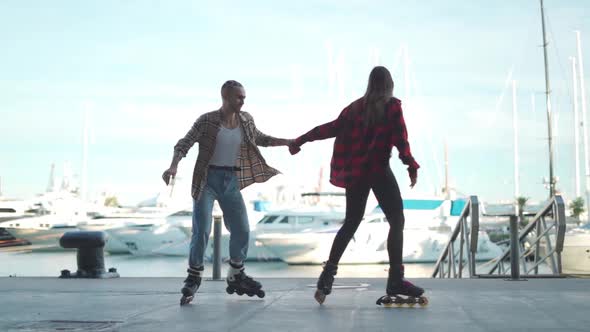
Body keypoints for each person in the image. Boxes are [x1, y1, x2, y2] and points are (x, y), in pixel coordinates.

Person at [289, 66, 426, 305]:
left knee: (351, 222)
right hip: (379, 171)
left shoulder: (354, 109)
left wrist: (300, 140)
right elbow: (401, 140)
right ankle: (395, 279)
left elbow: (328, 129)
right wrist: (411, 165)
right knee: (397, 220)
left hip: (356, 175)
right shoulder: (392, 107)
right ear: (390, 85)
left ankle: (326, 278)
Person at [162, 80, 292, 305]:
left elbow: (260, 139)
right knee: (201, 229)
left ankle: (235, 274)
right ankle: (194, 276)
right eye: (239, 97)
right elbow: (184, 143)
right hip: (207, 179)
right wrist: (173, 165)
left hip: (231, 180)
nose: (243, 101)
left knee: (242, 228)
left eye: (244, 97)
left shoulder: (246, 120)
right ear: (226, 97)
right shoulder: (207, 120)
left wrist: (287, 142)